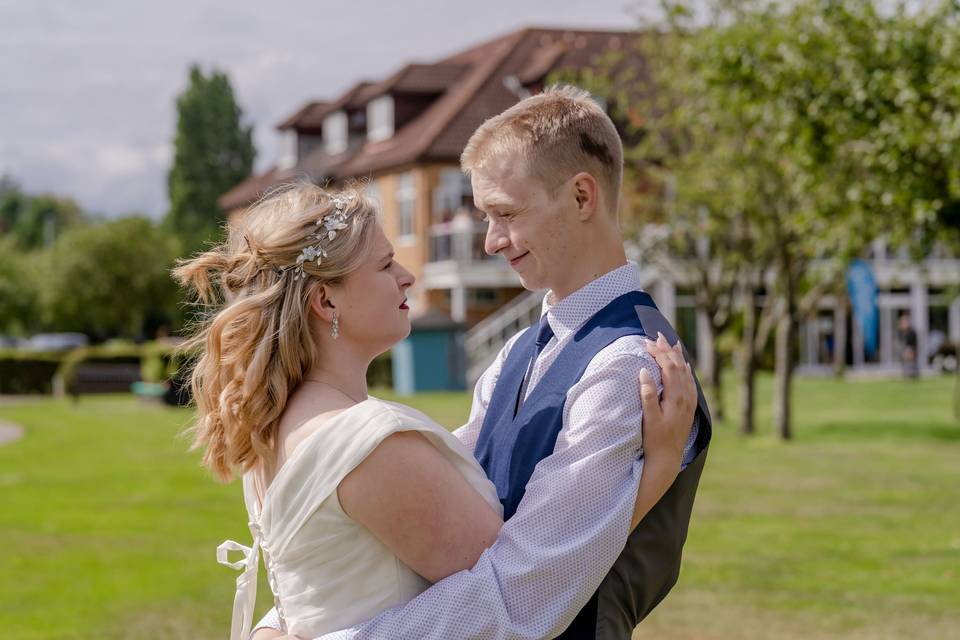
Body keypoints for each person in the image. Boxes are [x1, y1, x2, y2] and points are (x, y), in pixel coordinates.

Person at [250, 85, 711, 640]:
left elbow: (523, 591)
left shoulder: (630, 368)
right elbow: (421, 516)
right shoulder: (516, 355)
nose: (491, 241)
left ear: (582, 198)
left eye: (506, 213)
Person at [898, 313, 919, 379]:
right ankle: (907, 373)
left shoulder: (912, 332)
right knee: (904, 356)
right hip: (904, 350)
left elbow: (912, 343)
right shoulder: (900, 332)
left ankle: (913, 374)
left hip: (911, 349)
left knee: (909, 355)